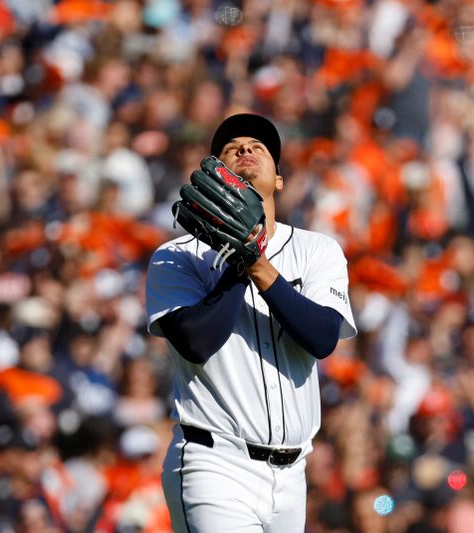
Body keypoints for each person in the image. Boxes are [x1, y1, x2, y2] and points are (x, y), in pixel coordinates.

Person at [145, 113, 357, 532]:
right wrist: (238, 260)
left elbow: (321, 337)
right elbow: (196, 341)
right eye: (231, 148)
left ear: (278, 179)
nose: (245, 149)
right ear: (213, 175)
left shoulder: (317, 250)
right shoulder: (176, 256)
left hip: (293, 476)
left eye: (258, 147)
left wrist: (255, 261)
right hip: (214, 463)